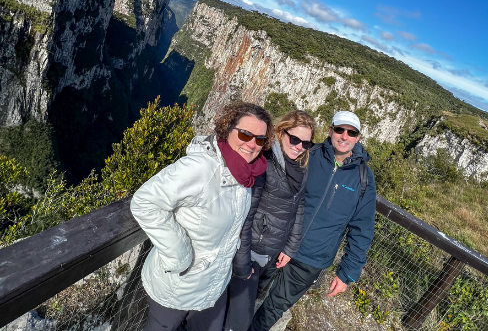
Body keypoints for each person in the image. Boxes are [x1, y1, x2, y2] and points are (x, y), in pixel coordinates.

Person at [130, 102, 274, 331]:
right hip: (178, 285)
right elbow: (145, 201)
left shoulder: (245, 175)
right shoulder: (201, 168)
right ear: (228, 130)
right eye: (246, 134)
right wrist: (180, 256)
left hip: (212, 287)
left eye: (260, 139)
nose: (252, 144)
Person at [250, 110, 376, 331]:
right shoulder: (309, 155)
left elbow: (362, 228)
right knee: (249, 292)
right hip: (280, 242)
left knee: (274, 307)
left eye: (351, 132)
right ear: (330, 131)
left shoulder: (363, 178)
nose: (344, 136)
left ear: (358, 138)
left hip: (312, 259)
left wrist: (347, 273)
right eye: (339, 130)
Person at [224, 110, 316, 331]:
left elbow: (298, 207)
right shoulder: (265, 162)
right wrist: (243, 260)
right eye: (294, 139)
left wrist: (290, 247)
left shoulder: (300, 170)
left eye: (306, 143)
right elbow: (246, 215)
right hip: (253, 251)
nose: (298, 147)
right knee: (233, 314)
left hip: (273, 254)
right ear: (280, 132)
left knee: (244, 305)